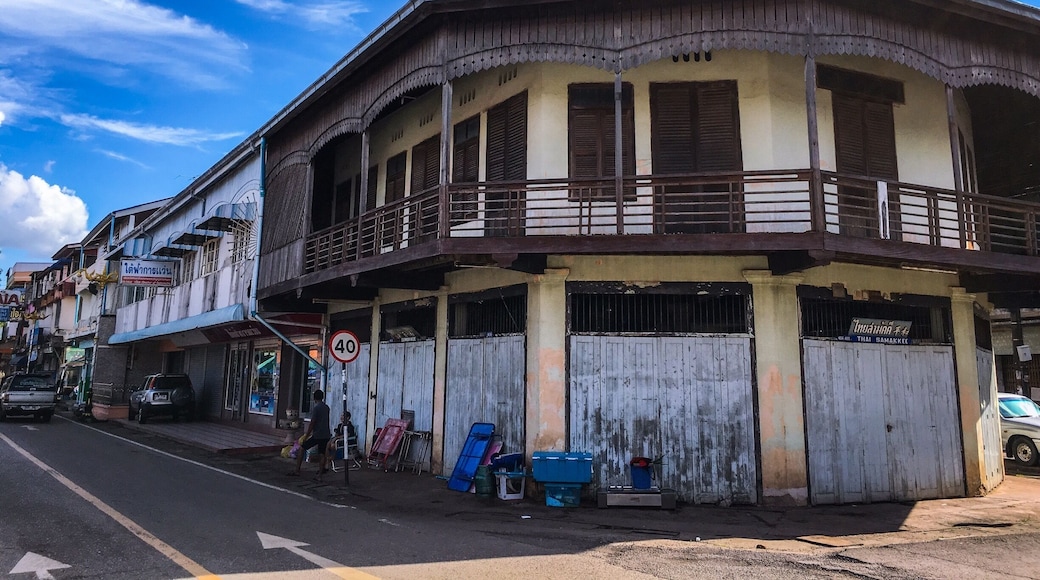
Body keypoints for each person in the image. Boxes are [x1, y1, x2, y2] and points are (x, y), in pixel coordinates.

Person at [288, 389, 332, 480]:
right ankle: (319, 475)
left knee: (302, 448)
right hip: (326, 434)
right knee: (322, 453)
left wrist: (307, 435)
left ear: (314, 398)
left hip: (317, 434)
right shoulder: (326, 407)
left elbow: (312, 423)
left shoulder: (316, 408)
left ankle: (297, 470)